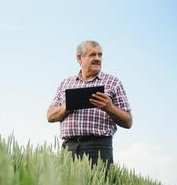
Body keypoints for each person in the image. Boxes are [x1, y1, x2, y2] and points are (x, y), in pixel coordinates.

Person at [47, 40, 132, 169]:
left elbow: (128, 122)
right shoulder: (65, 83)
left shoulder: (113, 83)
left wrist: (110, 108)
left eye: (100, 55)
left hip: (98, 147)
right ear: (79, 58)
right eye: (92, 55)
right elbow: (50, 116)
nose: (97, 58)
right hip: (69, 148)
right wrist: (68, 106)